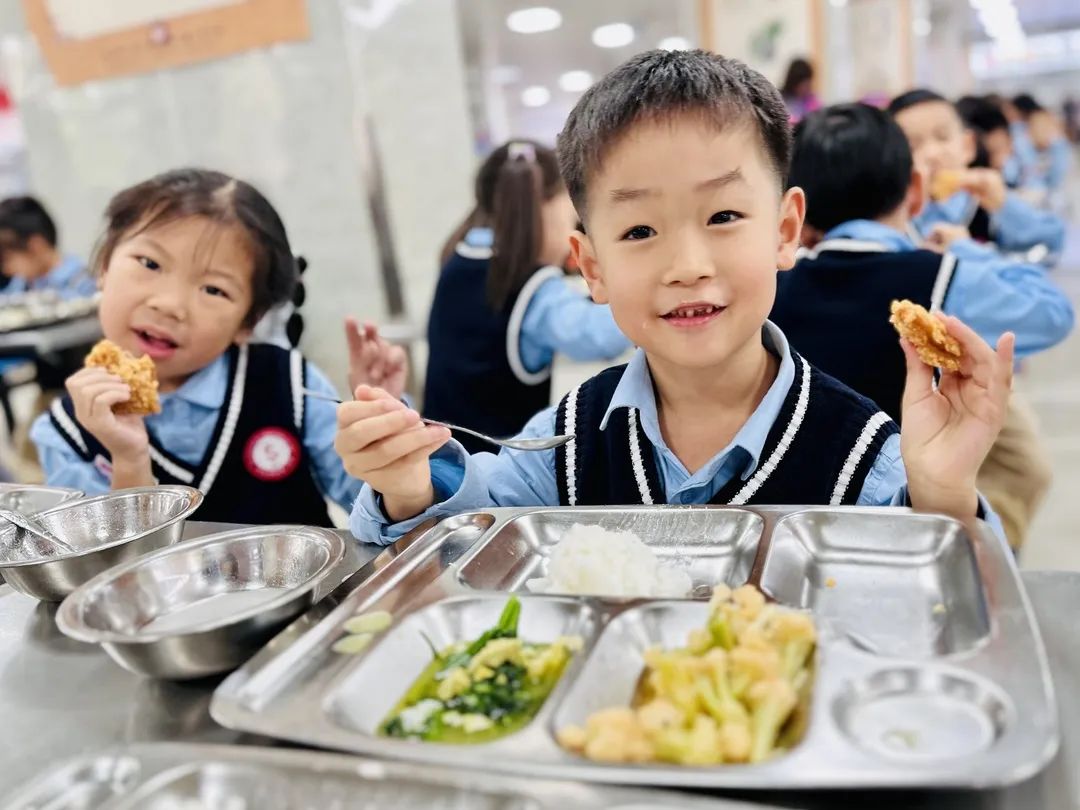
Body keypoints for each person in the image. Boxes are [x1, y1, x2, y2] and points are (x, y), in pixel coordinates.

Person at [337, 50, 1012, 546]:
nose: (687, 266)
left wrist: (945, 493)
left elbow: (946, 609)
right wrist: (406, 483)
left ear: (784, 231)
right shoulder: (566, 442)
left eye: (722, 217)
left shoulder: (866, 455)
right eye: (639, 230)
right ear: (591, 267)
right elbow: (464, 532)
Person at [770, 104, 1070, 550]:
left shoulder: (776, 287)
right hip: (911, 503)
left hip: (801, 515)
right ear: (914, 189)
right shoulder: (941, 276)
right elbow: (1052, 313)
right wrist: (968, 249)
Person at [30, 168, 400, 526]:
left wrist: (383, 433)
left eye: (213, 289)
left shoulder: (288, 384)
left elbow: (376, 513)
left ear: (247, 322)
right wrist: (129, 460)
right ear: (104, 267)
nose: (170, 304)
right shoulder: (66, 433)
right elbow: (111, 573)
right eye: (150, 263)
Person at [424, 140, 630, 452]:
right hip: (497, 476)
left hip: (440, 458)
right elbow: (596, 337)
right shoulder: (534, 288)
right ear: (542, 209)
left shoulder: (457, 260)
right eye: (569, 217)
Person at [888, 89, 1065, 258]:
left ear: (968, 145)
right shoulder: (892, 219)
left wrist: (1003, 204)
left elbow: (1052, 241)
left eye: (942, 137)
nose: (932, 154)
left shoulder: (989, 206)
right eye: (913, 145)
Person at [0, 196, 94, 299]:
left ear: (35, 246)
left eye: (6, 260)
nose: (5, 270)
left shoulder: (83, 283)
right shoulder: (22, 284)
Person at [779, 57, 821, 124]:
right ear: (794, 82)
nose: (807, 88)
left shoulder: (812, 100)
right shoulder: (780, 99)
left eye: (808, 84)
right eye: (804, 85)